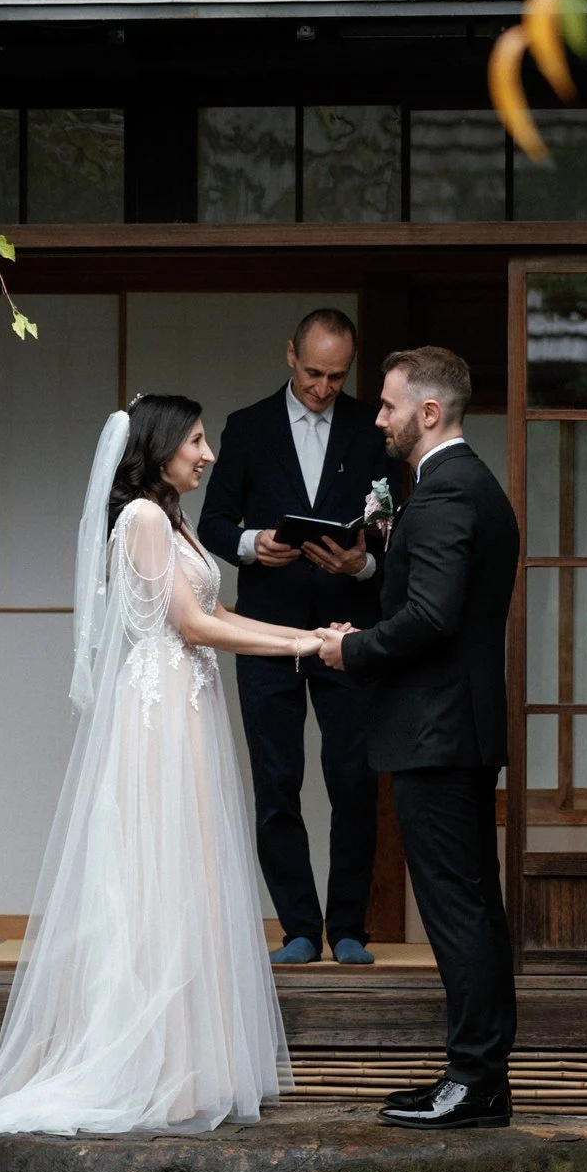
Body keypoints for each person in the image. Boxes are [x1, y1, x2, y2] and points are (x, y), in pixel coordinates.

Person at [0, 396, 317, 1172]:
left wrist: (299, 638)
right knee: (155, 877)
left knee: (187, 877)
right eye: (196, 440)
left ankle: (185, 1064)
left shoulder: (177, 522)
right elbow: (191, 623)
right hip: (160, 716)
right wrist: (301, 644)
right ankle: (145, 1060)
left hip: (186, 708)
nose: (209, 453)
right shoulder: (144, 523)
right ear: (159, 450)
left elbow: (218, 615)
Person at [317, 346, 520, 1130]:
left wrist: (351, 648)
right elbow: (440, 606)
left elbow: (433, 618)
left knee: (456, 911)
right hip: (456, 729)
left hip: (436, 734)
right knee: (473, 906)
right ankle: (480, 1078)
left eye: (388, 406)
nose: (377, 419)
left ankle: (472, 1081)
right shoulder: (474, 487)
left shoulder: (442, 495)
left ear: (428, 413)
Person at [199, 308, 402, 967]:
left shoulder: (372, 430)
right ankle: (295, 927)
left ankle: (347, 927)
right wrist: (252, 545)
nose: (322, 387)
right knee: (276, 778)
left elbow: (388, 527)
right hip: (266, 630)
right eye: (313, 373)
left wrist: (364, 563)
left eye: (335, 377)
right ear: (290, 356)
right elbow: (212, 525)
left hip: (349, 630)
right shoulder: (247, 427)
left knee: (352, 778)